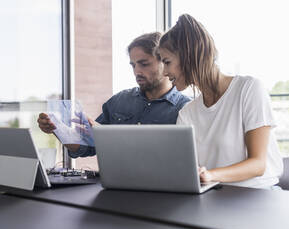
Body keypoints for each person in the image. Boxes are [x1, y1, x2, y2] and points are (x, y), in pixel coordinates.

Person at [158, 14, 283, 188]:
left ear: (188, 56)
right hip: (215, 196)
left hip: (259, 194)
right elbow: (187, 169)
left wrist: (210, 175)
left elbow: (258, 164)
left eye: (167, 62)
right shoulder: (187, 113)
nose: (164, 72)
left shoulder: (248, 89)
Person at [38, 32, 191, 158]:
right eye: (133, 65)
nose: (137, 71)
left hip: (161, 190)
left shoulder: (185, 108)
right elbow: (86, 147)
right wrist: (58, 129)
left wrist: (108, 135)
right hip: (115, 187)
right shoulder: (119, 101)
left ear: (164, 62)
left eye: (144, 64)